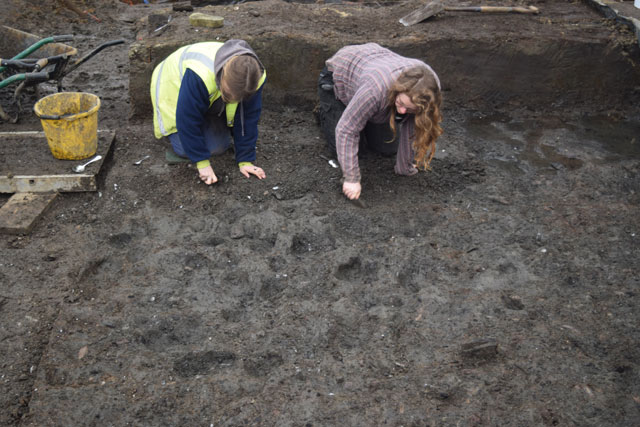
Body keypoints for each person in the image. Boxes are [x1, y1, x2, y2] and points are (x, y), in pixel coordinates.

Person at [317, 43, 443, 200]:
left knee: (387, 148)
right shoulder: (374, 90)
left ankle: (363, 113)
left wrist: (405, 167)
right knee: (354, 151)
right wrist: (351, 179)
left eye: (409, 109)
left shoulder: (430, 86)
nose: (403, 112)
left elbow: (414, 122)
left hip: (370, 77)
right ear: (399, 89)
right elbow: (346, 130)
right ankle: (325, 111)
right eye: (401, 104)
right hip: (340, 74)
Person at [150, 39, 267, 185]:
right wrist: (202, 163)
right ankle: (175, 136)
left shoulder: (254, 77)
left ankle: (209, 118)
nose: (232, 100)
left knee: (220, 146)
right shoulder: (200, 74)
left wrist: (245, 160)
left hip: (205, 92)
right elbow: (187, 119)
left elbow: (248, 117)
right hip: (171, 87)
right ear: (223, 75)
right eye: (228, 94)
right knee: (189, 149)